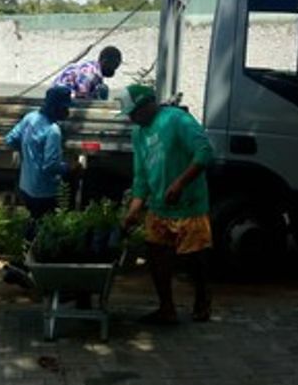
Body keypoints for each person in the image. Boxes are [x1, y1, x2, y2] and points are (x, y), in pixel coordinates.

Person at [120, 84, 214, 324]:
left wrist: (180, 184)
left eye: (133, 113)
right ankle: (166, 308)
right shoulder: (138, 133)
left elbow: (204, 152)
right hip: (159, 207)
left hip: (189, 204)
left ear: (147, 105)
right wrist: (134, 210)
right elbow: (141, 176)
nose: (131, 119)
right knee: (156, 257)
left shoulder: (177, 120)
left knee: (195, 258)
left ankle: (203, 302)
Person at [2, 86, 80, 286]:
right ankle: (32, 271)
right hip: (44, 191)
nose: (67, 112)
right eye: (65, 108)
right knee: (46, 230)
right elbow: (50, 166)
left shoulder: (30, 118)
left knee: (34, 223)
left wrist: (29, 153)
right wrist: (70, 168)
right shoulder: (53, 131)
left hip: (26, 186)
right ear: (56, 107)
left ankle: (21, 263)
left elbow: (9, 140)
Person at [52, 46, 122, 100]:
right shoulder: (89, 74)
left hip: (70, 93)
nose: (115, 69)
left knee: (102, 89)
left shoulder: (95, 70)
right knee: (102, 90)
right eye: (114, 66)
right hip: (61, 96)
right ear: (104, 62)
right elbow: (82, 96)